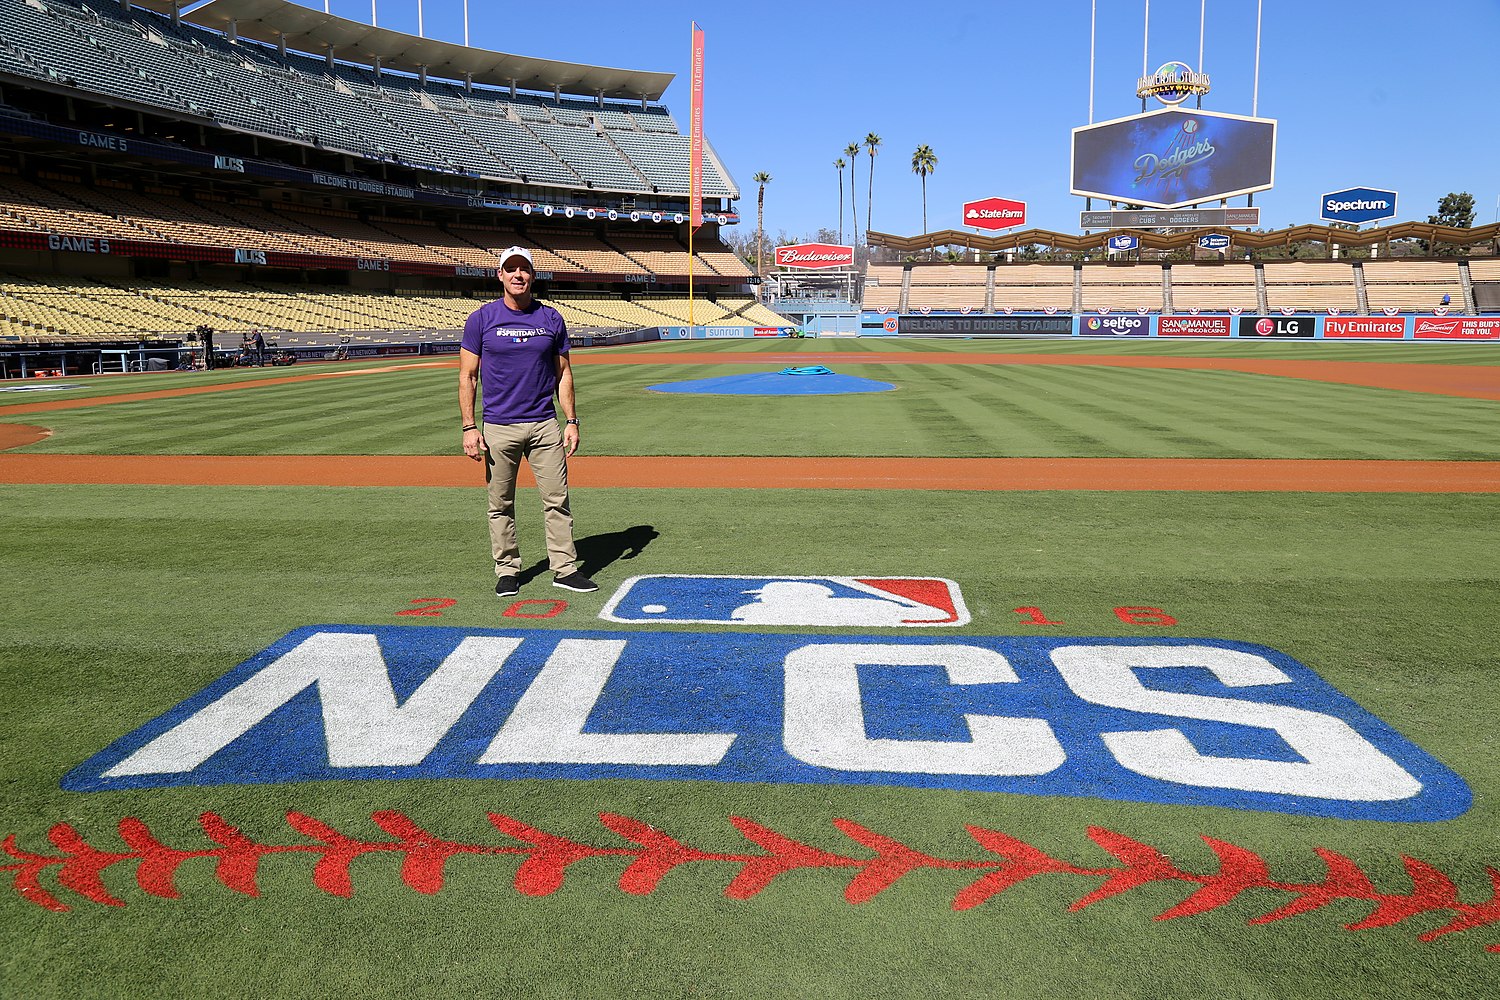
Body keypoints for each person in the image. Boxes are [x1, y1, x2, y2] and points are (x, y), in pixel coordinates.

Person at [459, 246, 597, 597]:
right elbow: (468, 376)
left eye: (524, 270)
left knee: (557, 499)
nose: (518, 275)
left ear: (533, 276)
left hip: (544, 424)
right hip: (499, 426)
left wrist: (572, 420)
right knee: (500, 503)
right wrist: (469, 426)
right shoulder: (481, 319)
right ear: (500, 275)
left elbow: (563, 372)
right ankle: (507, 569)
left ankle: (564, 569)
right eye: (511, 269)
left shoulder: (550, 319)